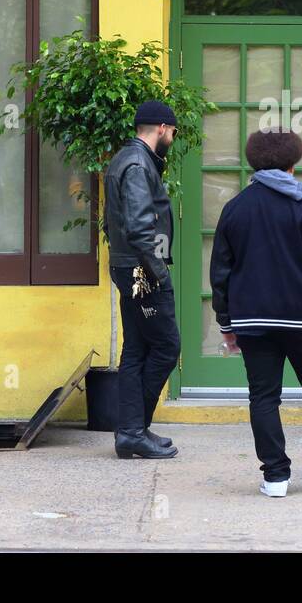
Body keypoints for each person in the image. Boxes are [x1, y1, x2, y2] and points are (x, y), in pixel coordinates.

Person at [209, 128, 302, 498]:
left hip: (254, 325)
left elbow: (220, 274)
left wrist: (226, 324)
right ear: (294, 163)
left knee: (264, 397)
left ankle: (275, 477)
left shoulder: (235, 209)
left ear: (253, 161)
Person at [103, 100, 182, 460]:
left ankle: (131, 431)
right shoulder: (137, 165)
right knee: (167, 347)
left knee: (136, 349)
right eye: (173, 132)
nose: (173, 139)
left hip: (128, 267)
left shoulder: (126, 159)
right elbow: (138, 227)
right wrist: (159, 273)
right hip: (141, 271)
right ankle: (133, 430)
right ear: (163, 128)